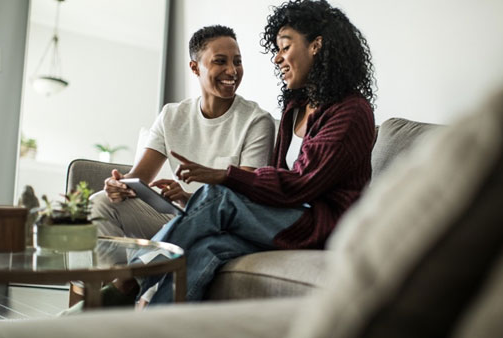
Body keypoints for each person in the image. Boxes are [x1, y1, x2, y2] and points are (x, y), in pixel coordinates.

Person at [85, 0, 377, 307]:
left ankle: (128, 279)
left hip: (321, 229)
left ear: (316, 46)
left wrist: (224, 176)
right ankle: (150, 321)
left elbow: (300, 183)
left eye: (285, 47)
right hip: (285, 220)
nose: (277, 58)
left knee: (217, 195)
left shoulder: (351, 112)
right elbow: (280, 184)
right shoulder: (296, 107)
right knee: (206, 248)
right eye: (276, 50)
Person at [91, 25, 275, 239]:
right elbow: (138, 178)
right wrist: (119, 185)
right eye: (220, 61)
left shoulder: (257, 121)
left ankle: (131, 272)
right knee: (100, 202)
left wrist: (188, 198)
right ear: (195, 68)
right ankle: (119, 272)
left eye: (237, 61)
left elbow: (245, 198)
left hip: (220, 223)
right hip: (176, 216)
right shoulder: (171, 115)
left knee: (176, 231)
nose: (232, 71)